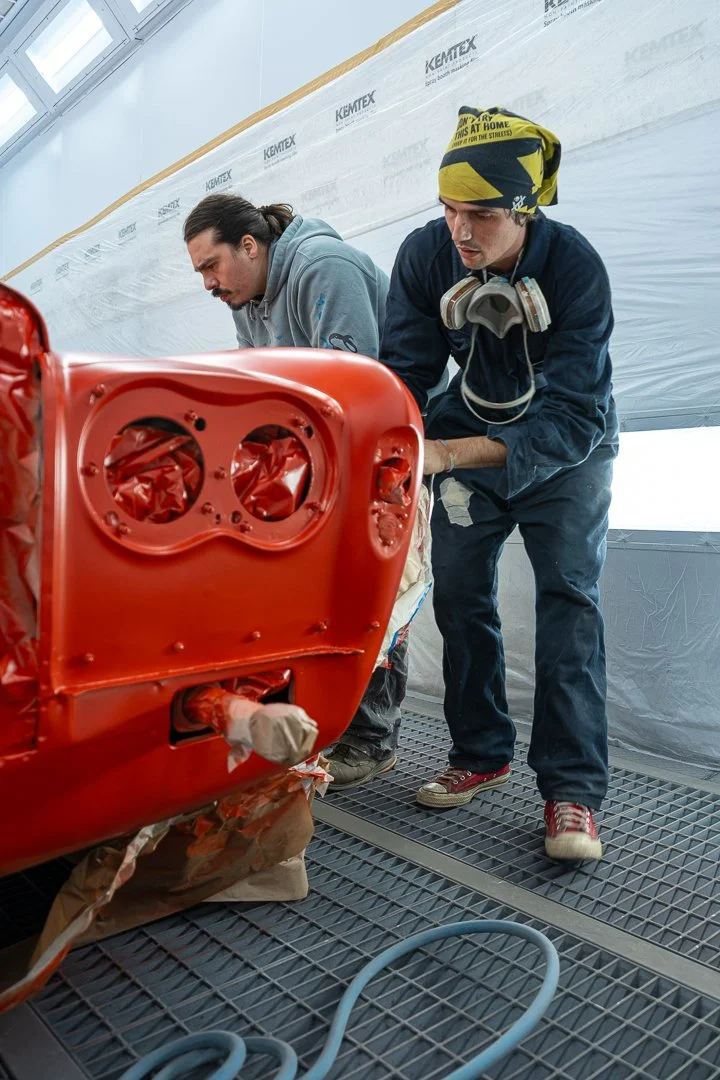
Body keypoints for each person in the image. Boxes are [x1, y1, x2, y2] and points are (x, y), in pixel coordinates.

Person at [380, 106, 618, 861]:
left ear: (526, 209)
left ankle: (572, 792)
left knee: (569, 607)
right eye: (449, 210)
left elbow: (575, 414)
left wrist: (446, 458)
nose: (460, 231)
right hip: (463, 434)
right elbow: (407, 374)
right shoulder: (425, 255)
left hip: (572, 453)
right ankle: (481, 752)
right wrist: (391, 448)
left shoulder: (575, 267)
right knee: (456, 596)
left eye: (480, 214)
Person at [183, 193, 408, 790]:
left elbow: (355, 378)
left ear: (250, 246)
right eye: (200, 272)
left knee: (380, 590)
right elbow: (258, 381)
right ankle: (329, 716)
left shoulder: (320, 266)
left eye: (211, 266)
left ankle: (374, 737)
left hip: (386, 449)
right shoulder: (246, 299)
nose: (207, 283)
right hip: (323, 454)